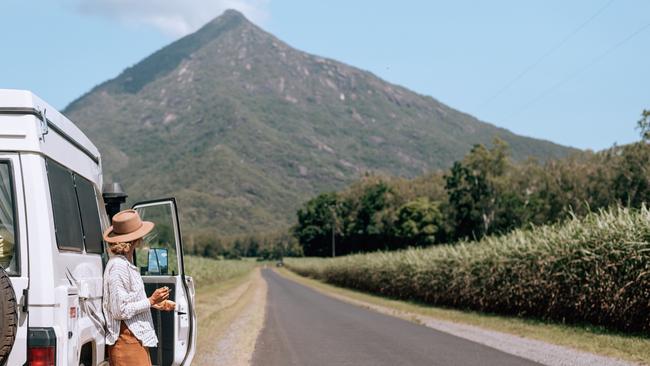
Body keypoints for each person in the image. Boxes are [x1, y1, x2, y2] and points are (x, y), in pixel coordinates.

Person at [102, 209, 175, 366]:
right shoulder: (118, 267)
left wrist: (156, 304)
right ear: (136, 240)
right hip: (126, 339)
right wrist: (150, 300)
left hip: (133, 337)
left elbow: (128, 302)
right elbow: (119, 310)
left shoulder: (125, 265)